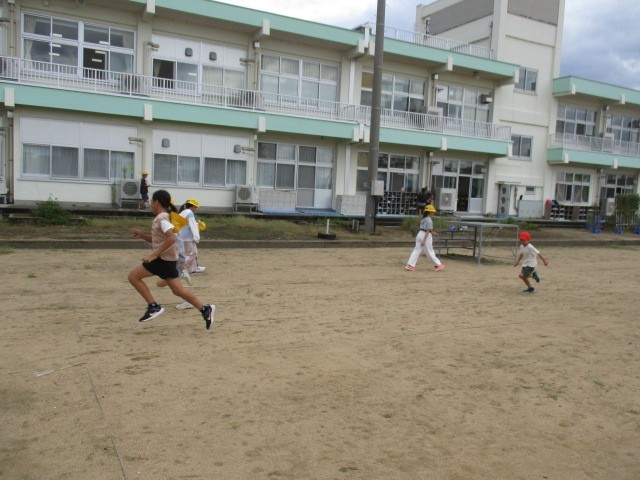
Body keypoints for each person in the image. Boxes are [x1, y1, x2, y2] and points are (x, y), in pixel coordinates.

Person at [128, 189, 215, 329]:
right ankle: (205, 309)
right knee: (178, 290)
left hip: (163, 260)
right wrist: (142, 235)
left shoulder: (162, 218)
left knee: (133, 277)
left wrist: (154, 255)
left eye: (151, 202)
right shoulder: (165, 217)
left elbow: (171, 238)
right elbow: (159, 240)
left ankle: (153, 306)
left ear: (157, 202)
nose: (150, 205)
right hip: (169, 261)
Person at [174, 198, 204, 310]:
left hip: (181, 240)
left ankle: (185, 269)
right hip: (187, 240)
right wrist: (196, 238)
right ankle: (182, 269)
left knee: (190, 267)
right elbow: (193, 227)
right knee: (193, 253)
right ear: (194, 206)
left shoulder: (182, 212)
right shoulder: (190, 213)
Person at [405, 204, 445, 271]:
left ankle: (410, 265)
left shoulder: (423, 219)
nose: (433, 213)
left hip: (420, 234)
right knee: (430, 251)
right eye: (433, 212)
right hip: (425, 236)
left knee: (416, 250)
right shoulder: (429, 220)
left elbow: (424, 229)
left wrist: (432, 232)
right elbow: (427, 231)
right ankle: (438, 265)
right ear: (430, 212)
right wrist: (424, 240)